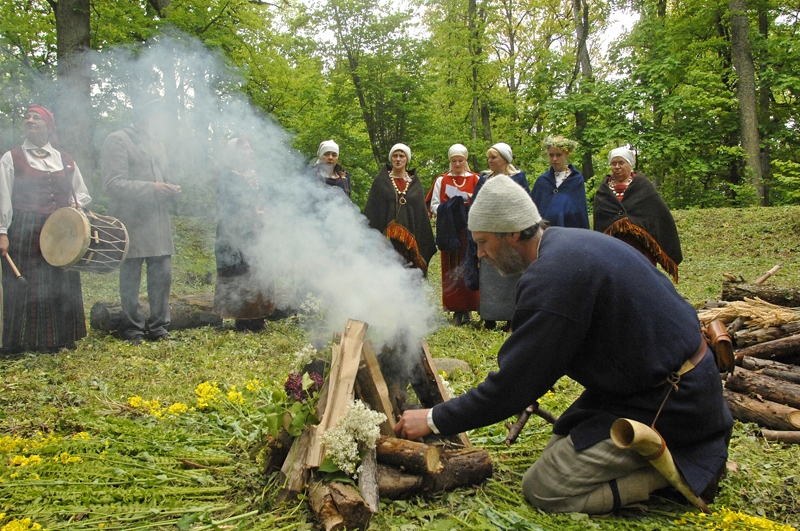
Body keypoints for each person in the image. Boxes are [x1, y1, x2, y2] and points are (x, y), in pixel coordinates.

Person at [395, 175, 732, 515]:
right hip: (645, 387)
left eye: (483, 242)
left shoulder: (554, 275)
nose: (480, 255)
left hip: (674, 402)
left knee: (545, 488)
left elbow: (513, 386)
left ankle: (680, 474)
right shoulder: (566, 244)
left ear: (511, 233)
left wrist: (435, 418)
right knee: (562, 442)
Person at [0, 105, 91, 353]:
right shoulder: (12, 158)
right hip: (25, 229)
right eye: (27, 117)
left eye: (36, 117)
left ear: (49, 126)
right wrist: (2, 232)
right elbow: (3, 197)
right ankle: (21, 343)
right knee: (28, 285)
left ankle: (61, 338)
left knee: (61, 281)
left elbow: (82, 193)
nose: (30, 120)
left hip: (62, 231)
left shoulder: (65, 159)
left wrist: (76, 204)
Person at [101, 96, 181, 344]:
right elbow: (112, 184)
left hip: (158, 221)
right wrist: (152, 188)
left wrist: (172, 189)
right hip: (131, 221)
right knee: (131, 278)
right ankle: (133, 329)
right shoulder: (118, 139)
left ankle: (159, 327)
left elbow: (162, 179)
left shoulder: (158, 144)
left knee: (162, 276)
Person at [593, 147, 682, 282]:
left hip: (641, 248)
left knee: (642, 280)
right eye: (613, 163)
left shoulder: (644, 188)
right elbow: (601, 222)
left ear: (630, 164)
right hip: (614, 248)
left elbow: (659, 216)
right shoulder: (603, 191)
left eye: (621, 163)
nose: (617, 167)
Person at [214, 136, 275, 331]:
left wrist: (267, 211)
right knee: (240, 272)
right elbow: (225, 206)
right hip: (234, 233)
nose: (250, 152)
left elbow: (266, 197)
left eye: (250, 148)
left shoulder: (256, 175)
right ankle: (242, 319)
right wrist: (251, 213)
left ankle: (257, 317)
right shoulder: (226, 176)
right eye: (245, 149)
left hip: (257, 230)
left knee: (258, 271)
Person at [468, 142, 528, 330]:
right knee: (489, 275)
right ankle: (489, 317)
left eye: (494, 157)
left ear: (505, 159)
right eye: (489, 157)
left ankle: (511, 318)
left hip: (509, 234)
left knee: (510, 274)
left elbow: (525, 204)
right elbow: (475, 203)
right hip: (488, 232)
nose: (490, 161)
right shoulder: (484, 179)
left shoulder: (518, 179)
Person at [426, 144, 480, 326]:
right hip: (449, 231)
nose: (457, 164)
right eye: (454, 161)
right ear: (450, 161)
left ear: (466, 160)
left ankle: (469, 309)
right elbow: (433, 205)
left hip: (469, 230)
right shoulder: (442, 180)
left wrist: (466, 201)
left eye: (461, 160)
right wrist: (449, 206)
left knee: (469, 266)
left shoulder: (475, 178)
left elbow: (481, 201)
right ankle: (455, 309)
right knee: (451, 269)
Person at [364, 143, 436, 275]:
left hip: (410, 244)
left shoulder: (415, 183)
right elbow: (373, 210)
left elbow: (420, 214)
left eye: (401, 156)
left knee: (409, 273)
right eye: (395, 156)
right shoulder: (381, 181)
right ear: (391, 158)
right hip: (385, 241)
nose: (398, 159)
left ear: (407, 159)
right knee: (386, 273)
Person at [530, 135, 589, 229]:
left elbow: (580, 211)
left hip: (569, 230)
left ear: (567, 154)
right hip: (545, 232)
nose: (554, 159)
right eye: (551, 155)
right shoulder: (542, 180)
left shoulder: (575, 179)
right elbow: (532, 208)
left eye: (558, 155)